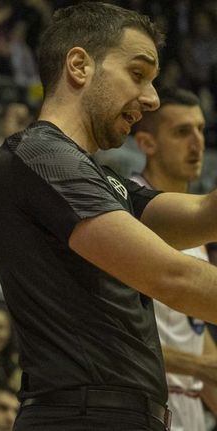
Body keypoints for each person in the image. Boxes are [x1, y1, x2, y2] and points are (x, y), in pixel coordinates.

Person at [0, 3, 217, 430]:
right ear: (79, 65)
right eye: (138, 74)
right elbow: (172, 278)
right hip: (82, 416)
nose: (152, 98)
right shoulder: (42, 158)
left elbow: (203, 213)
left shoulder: (96, 177)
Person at [131, 87, 217, 431]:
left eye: (201, 130)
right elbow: (112, 335)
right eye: (182, 132)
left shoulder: (193, 227)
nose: (197, 144)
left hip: (190, 408)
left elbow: (193, 332)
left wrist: (203, 366)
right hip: (144, 403)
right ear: (146, 143)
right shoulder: (127, 214)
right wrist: (196, 366)